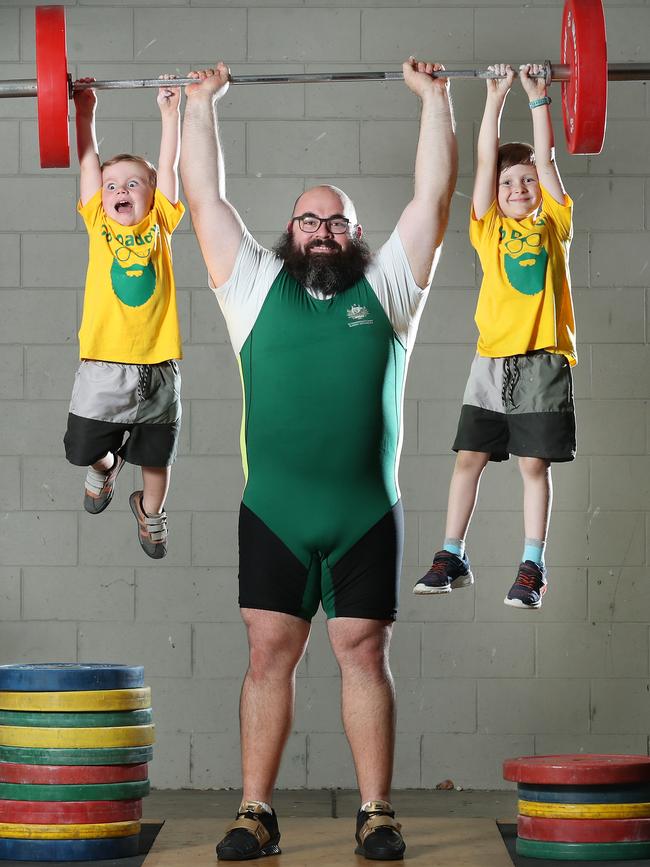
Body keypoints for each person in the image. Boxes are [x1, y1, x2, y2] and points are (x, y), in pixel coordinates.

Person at [181, 58, 457, 861]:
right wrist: (201, 105)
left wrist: (434, 99)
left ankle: (375, 810)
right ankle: (255, 812)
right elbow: (205, 198)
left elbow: (432, 199)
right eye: (309, 219)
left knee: (364, 654)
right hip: (275, 512)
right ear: (289, 231)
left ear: (357, 235)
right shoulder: (253, 289)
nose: (323, 231)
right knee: (269, 654)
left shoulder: (393, 291)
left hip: (365, 511)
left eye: (337, 221)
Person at [414, 63, 576, 610]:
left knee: (533, 465)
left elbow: (546, 159)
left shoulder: (555, 221)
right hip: (491, 362)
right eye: (509, 182)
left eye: (526, 179)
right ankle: (452, 554)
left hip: (542, 361)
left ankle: (532, 564)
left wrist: (536, 99)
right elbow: (485, 162)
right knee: (470, 457)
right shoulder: (486, 228)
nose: (518, 187)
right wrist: (493, 97)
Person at [64, 75, 184, 559]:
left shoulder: (161, 222)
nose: (121, 190)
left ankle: (150, 513)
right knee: (82, 448)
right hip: (103, 363)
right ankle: (107, 463)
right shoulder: (98, 222)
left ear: (151, 196)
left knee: (156, 456)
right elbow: (89, 161)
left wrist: (171, 113)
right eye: (113, 185)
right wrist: (85, 110)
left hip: (159, 364)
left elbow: (169, 167)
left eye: (134, 183)